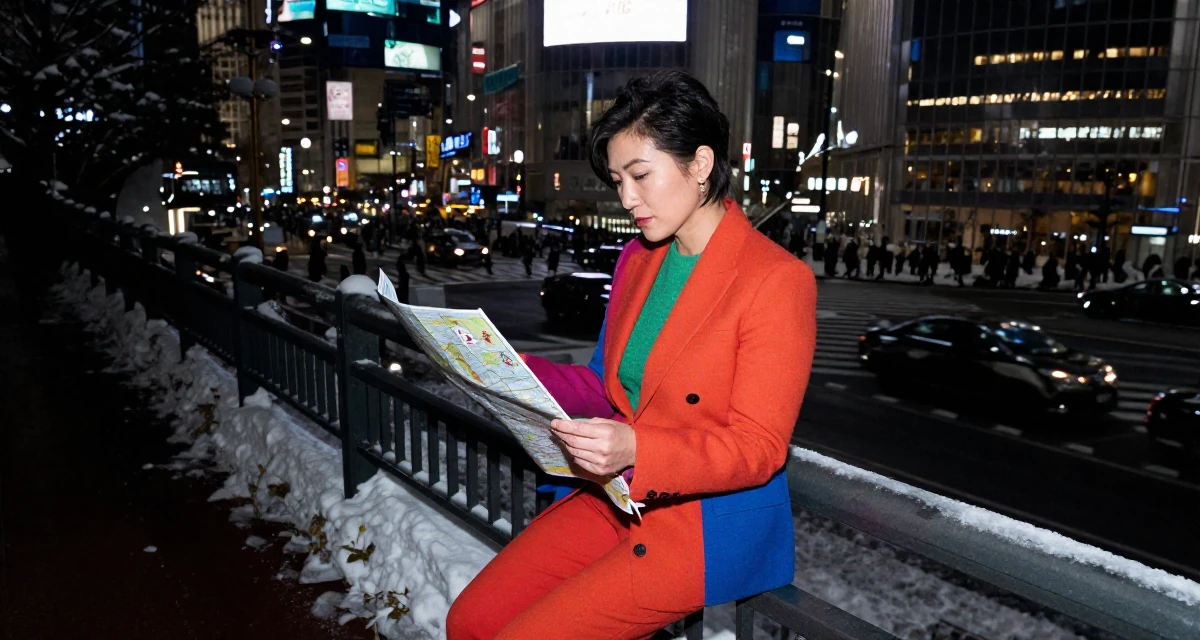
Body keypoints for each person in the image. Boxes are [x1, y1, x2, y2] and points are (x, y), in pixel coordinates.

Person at [446, 70, 816, 640]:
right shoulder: (639, 260)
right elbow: (606, 386)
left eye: (641, 175)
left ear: (699, 164)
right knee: (471, 621)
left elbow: (759, 448)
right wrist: (505, 367)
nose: (627, 199)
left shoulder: (776, 280)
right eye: (618, 180)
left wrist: (638, 447)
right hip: (613, 496)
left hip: (699, 523)